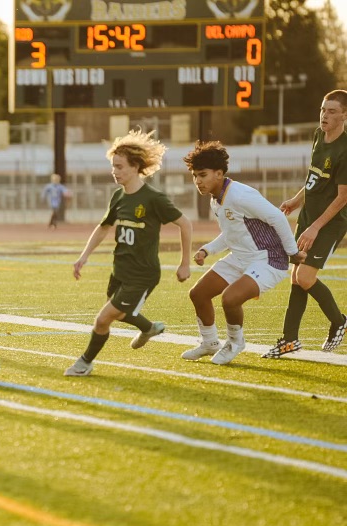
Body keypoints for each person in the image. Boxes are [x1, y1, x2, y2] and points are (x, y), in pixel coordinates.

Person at [64, 129, 192, 377]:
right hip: (119, 270)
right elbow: (103, 228)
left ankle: (84, 362)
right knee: (121, 313)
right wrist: (84, 256)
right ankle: (149, 327)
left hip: (142, 274)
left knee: (103, 319)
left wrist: (184, 263)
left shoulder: (154, 199)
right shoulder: (118, 196)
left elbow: (185, 223)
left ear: (136, 167)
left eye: (120, 166)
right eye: (113, 166)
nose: (115, 171)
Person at [181, 141, 306, 365]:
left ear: (219, 173)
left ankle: (235, 342)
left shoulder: (239, 195)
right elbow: (231, 235)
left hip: (268, 260)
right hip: (241, 258)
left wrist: (292, 251)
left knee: (230, 298)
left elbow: (277, 217)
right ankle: (209, 343)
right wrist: (206, 250)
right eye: (194, 176)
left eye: (202, 175)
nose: (197, 181)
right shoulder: (216, 199)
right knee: (198, 294)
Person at [263, 90, 347, 358]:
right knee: (296, 279)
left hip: (330, 223)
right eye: (323, 109)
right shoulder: (317, 136)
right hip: (308, 217)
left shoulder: (345, 149)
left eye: (332, 111)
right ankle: (289, 340)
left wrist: (316, 228)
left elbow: (343, 197)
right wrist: (297, 200)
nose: (325, 115)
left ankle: (339, 321)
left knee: (305, 276)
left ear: (345, 115)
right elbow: (314, 178)